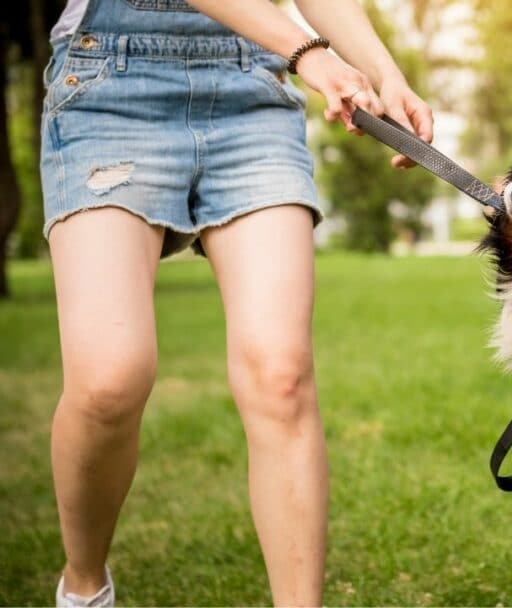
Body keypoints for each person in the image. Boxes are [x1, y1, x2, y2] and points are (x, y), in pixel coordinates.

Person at [42, 0, 432, 605]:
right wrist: (309, 53)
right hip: (111, 84)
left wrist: (385, 73)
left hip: (251, 88)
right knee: (109, 381)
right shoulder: (296, 50)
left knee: (281, 375)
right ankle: (84, 584)